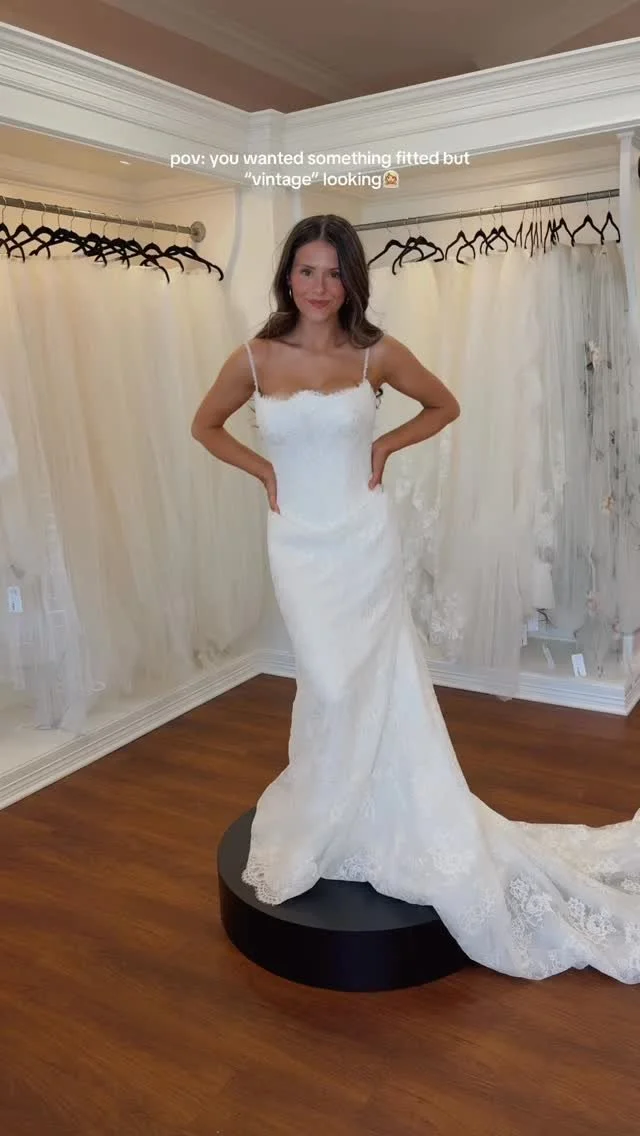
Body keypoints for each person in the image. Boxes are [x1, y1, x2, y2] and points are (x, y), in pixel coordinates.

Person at [192, 213, 640, 983]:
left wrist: (385, 445)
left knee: (371, 678)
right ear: (288, 276)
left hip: (363, 538)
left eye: (334, 272)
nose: (320, 286)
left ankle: (375, 808)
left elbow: (444, 405)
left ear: (351, 280)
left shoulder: (377, 353)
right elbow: (205, 425)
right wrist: (262, 470)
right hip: (297, 543)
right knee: (326, 680)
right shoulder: (255, 357)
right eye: (307, 270)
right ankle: (329, 806)